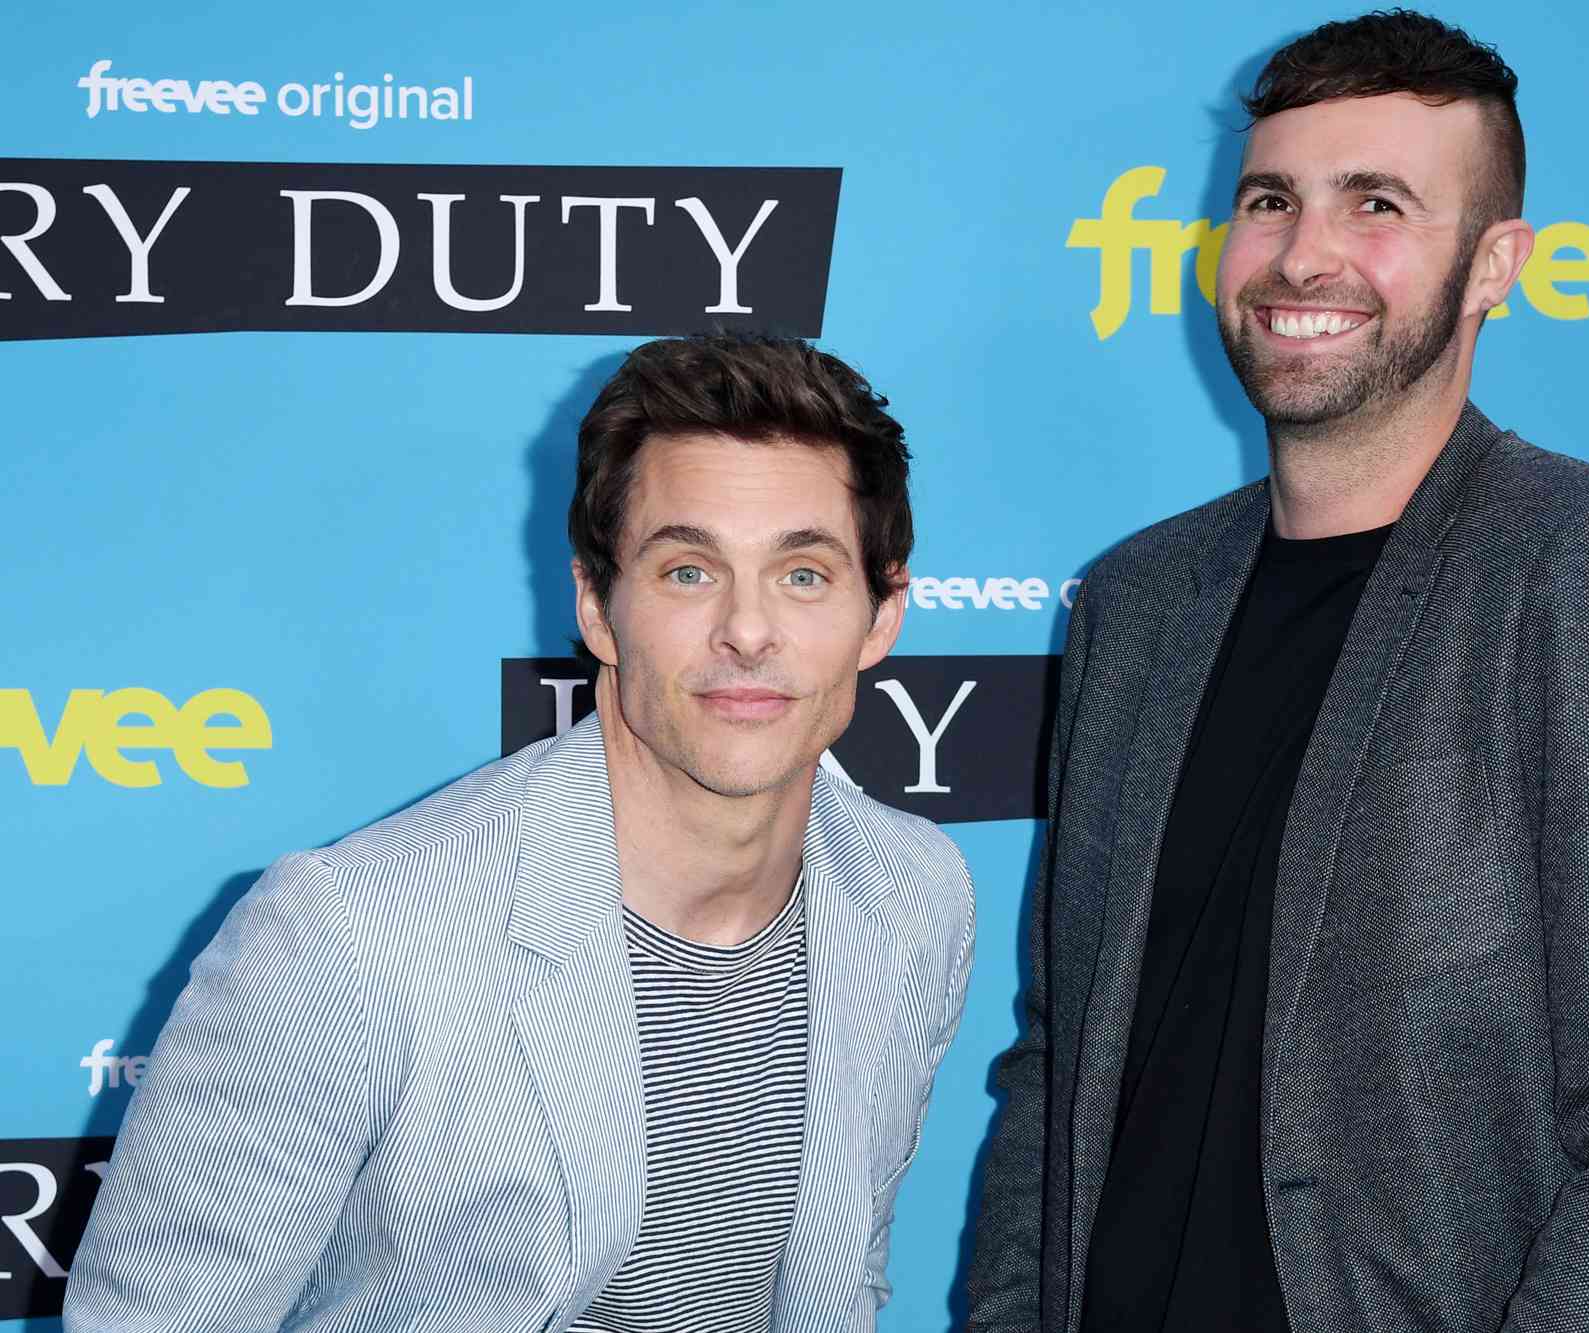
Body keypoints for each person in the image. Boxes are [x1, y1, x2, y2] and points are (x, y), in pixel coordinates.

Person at [965, 11, 1589, 1333]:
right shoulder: (1136, 602)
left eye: (1378, 204)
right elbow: (1059, 1063)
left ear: (1493, 266)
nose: (1304, 253)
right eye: (1271, 200)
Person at [66, 334, 975, 1333]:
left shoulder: (913, 890)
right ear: (595, 603)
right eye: (685, 571)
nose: (746, 631)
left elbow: (843, 1279)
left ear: (881, 612)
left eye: (802, 575)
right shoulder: (349, 934)